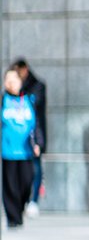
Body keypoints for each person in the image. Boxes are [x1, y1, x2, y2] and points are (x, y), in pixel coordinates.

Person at [2, 68, 41, 229]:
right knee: (10, 185)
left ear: (20, 82)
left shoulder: (28, 100)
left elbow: (36, 125)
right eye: (8, 80)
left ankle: (21, 207)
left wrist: (38, 143)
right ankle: (13, 217)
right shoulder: (2, 99)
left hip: (26, 151)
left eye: (14, 80)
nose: (11, 83)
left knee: (26, 182)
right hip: (7, 151)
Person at [11, 60, 46, 218]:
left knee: (35, 168)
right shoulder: (12, 93)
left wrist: (38, 142)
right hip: (16, 140)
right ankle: (21, 200)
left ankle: (33, 201)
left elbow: (36, 116)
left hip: (33, 136)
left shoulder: (37, 86)